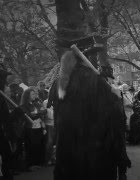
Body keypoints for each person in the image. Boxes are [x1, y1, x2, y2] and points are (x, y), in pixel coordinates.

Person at [54, 42, 130, 180]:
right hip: (98, 154)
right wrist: (116, 98)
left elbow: (59, 122)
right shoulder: (97, 82)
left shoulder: (60, 84)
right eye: (93, 55)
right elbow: (115, 124)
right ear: (86, 57)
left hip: (71, 156)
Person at [0, 65, 24, 180]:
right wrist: (16, 113)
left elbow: (6, 119)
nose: (5, 83)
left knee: (7, 158)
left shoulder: (2, 98)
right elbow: (4, 118)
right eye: (3, 79)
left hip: (3, 134)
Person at [20, 88, 47, 171]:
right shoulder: (24, 105)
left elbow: (44, 111)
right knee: (31, 146)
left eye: (35, 94)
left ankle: (38, 162)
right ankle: (31, 164)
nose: (35, 95)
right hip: (30, 128)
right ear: (27, 96)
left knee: (39, 145)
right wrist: (39, 113)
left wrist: (36, 114)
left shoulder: (37, 103)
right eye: (32, 94)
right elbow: (29, 116)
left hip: (39, 127)